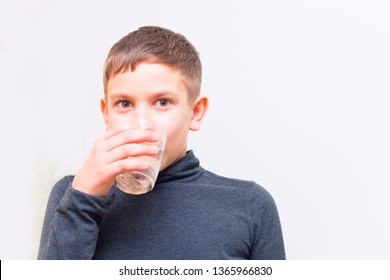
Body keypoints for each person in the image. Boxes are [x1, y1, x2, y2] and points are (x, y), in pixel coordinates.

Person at [38, 26, 286, 260]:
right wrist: (83, 198)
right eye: (124, 104)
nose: (141, 121)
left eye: (163, 102)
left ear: (196, 112)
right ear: (106, 114)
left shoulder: (251, 205)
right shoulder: (71, 194)